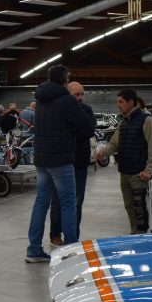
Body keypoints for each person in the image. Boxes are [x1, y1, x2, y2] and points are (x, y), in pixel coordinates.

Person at [25, 66, 94, 263]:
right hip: (61, 160)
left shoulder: (40, 99)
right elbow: (87, 128)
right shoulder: (67, 101)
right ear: (65, 80)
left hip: (42, 159)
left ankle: (33, 249)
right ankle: (71, 251)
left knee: (41, 203)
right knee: (69, 203)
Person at [95, 89, 152, 234]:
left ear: (131, 102)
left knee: (139, 208)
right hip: (124, 172)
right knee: (129, 206)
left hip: (139, 174)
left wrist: (149, 170)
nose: (118, 105)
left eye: (121, 102)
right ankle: (134, 233)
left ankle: (141, 237)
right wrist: (102, 153)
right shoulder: (123, 123)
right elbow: (114, 144)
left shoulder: (146, 120)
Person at [49, 82, 96, 245]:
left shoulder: (87, 110)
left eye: (82, 94)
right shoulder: (59, 109)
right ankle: (55, 235)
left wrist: (73, 129)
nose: (81, 97)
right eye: (77, 94)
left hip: (80, 162)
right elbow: (61, 132)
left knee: (77, 201)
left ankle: (73, 238)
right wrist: (77, 129)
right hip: (61, 161)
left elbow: (89, 130)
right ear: (68, 95)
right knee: (57, 199)